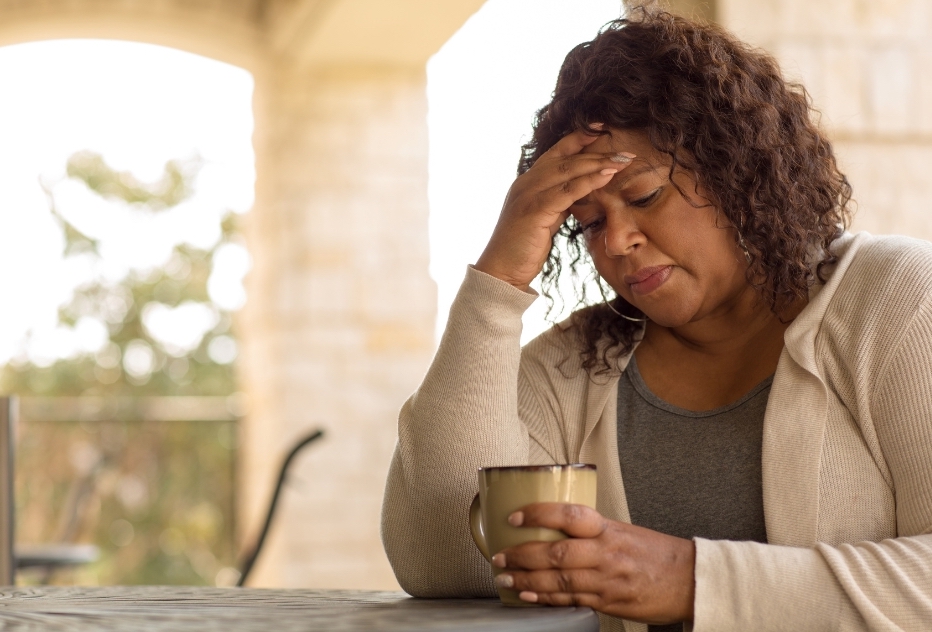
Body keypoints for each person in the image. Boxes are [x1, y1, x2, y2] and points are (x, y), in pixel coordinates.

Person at [381, 7, 932, 632]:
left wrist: (691, 581)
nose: (615, 241)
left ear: (735, 170)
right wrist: (499, 280)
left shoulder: (895, 302)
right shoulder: (574, 368)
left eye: (644, 196)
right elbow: (444, 564)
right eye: (587, 221)